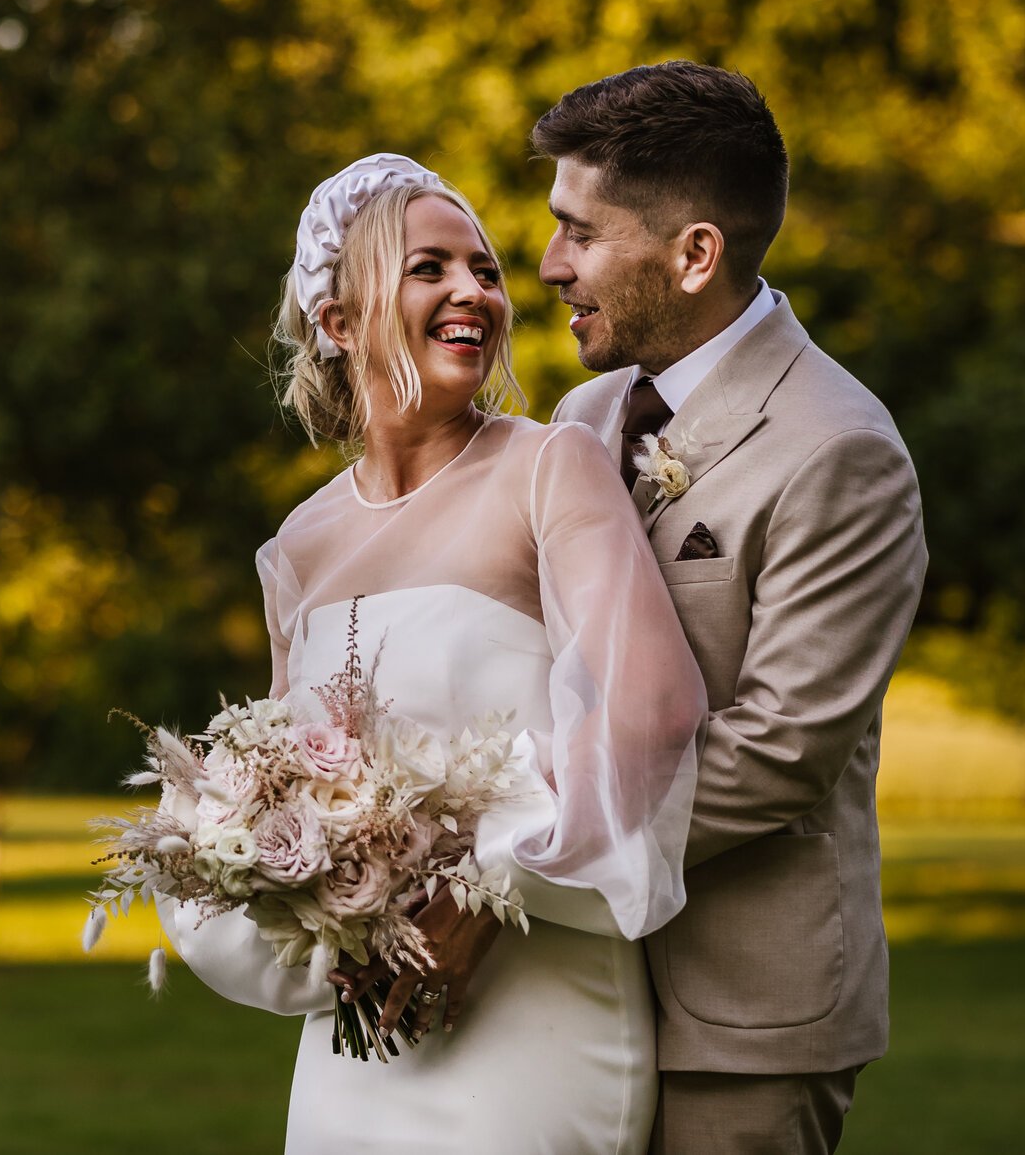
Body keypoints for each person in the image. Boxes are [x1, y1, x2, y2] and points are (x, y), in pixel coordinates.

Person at [159, 152, 708, 1154]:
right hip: (357, 1031)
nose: (474, 291)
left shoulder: (551, 468)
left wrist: (488, 886)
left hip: (534, 1009)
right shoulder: (298, 546)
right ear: (337, 320)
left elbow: (650, 712)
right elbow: (285, 775)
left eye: (485, 269)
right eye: (429, 267)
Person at [528, 61, 928, 1154]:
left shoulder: (839, 448)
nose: (550, 263)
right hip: (567, 996)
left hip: (741, 1019)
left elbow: (782, 748)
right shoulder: (584, 412)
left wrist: (521, 862)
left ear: (694, 252)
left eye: (580, 232)